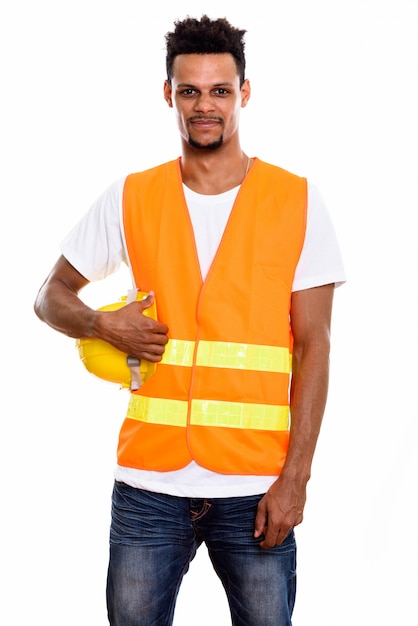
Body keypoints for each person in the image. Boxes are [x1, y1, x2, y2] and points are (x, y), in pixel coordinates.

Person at [34, 14, 346, 626]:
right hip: (148, 482)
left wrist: (296, 481)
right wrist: (103, 325)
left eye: (220, 90)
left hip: (256, 485)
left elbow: (316, 347)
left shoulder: (297, 200)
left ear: (244, 94)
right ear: (170, 95)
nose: (205, 106)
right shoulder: (131, 195)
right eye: (190, 91)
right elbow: (49, 297)